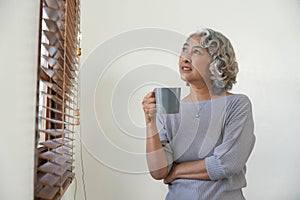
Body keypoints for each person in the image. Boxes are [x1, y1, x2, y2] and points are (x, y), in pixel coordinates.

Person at [142, 28, 256, 200]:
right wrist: (150, 123)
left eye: (196, 51)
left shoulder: (237, 104)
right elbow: (159, 171)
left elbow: (227, 163)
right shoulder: (168, 108)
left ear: (217, 62)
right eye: (184, 50)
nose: (185, 57)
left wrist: (177, 171)